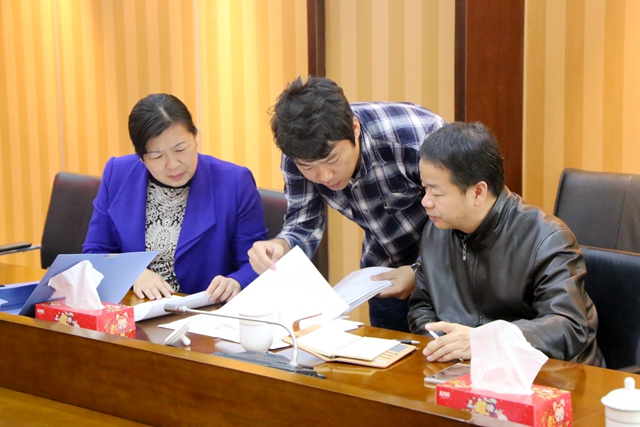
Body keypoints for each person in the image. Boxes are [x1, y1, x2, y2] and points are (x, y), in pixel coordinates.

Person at [248, 76, 446, 332]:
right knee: (393, 352)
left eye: (332, 160)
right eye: (309, 167)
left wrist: (420, 270)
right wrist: (280, 245)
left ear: (354, 128)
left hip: (449, 268)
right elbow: (304, 223)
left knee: (445, 352)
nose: (325, 176)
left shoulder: (417, 137)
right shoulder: (298, 156)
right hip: (385, 268)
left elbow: (460, 218)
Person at [408, 122, 604, 366]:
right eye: (425, 189)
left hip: (547, 373)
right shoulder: (436, 231)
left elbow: (568, 326)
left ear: (478, 192)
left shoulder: (547, 238)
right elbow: (422, 306)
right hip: (465, 370)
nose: (426, 202)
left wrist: (486, 341)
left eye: (437, 193)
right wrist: (444, 346)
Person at [83, 93, 267, 302]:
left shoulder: (234, 182)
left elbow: (256, 263)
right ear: (141, 157)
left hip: (202, 310)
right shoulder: (117, 173)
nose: (173, 164)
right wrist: (132, 272)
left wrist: (235, 282)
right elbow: (94, 253)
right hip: (134, 309)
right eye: (157, 156)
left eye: (181, 149)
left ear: (195, 137)